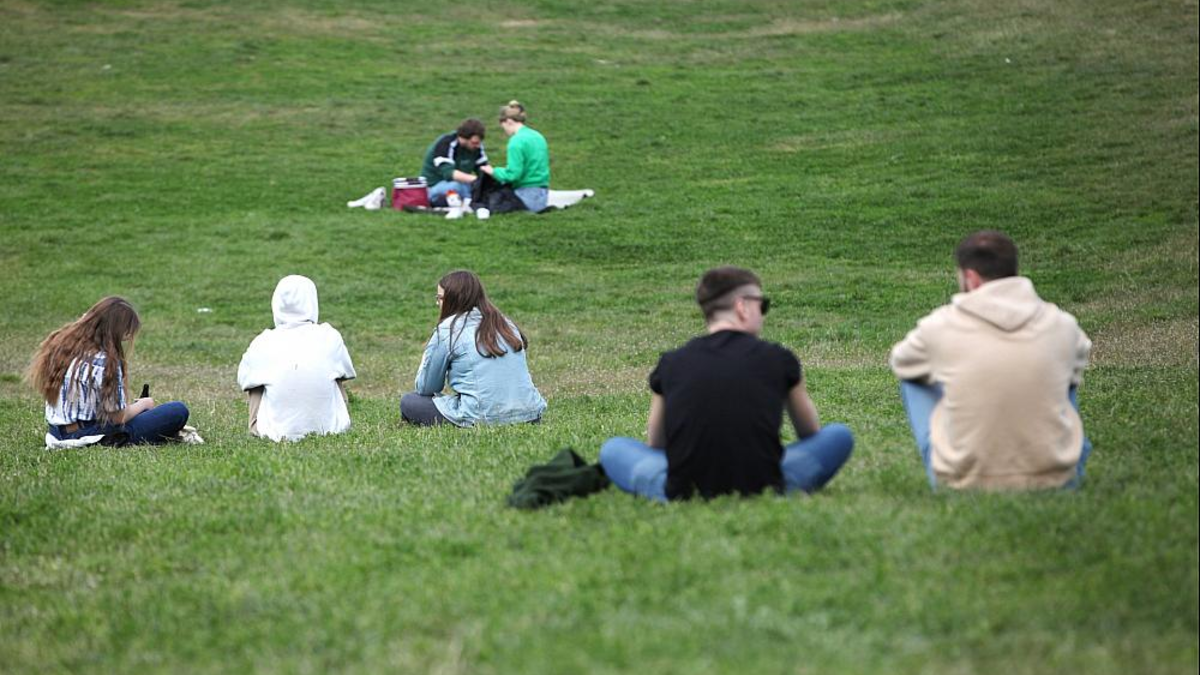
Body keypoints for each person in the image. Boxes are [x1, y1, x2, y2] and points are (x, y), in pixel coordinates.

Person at [599, 267, 855, 502]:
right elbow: (809, 432)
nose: (763, 314)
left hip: (684, 492)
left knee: (613, 449)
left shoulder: (671, 363)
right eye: (761, 305)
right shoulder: (779, 358)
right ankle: (779, 488)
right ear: (742, 307)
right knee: (838, 435)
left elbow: (656, 442)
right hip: (764, 486)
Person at [889, 230, 1093, 490]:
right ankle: (1061, 460)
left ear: (971, 278)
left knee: (912, 380)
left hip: (965, 482)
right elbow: (1078, 362)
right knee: (1064, 380)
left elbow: (901, 362)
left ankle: (957, 461)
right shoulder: (1063, 325)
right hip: (1058, 480)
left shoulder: (940, 325)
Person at [27, 296, 190, 445]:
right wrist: (143, 404)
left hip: (56, 432)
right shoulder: (104, 361)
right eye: (127, 332)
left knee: (145, 413)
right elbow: (118, 418)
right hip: (89, 434)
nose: (127, 338)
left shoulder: (63, 345)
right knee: (177, 410)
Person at [401, 270, 546, 427]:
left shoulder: (447, 330)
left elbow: (426, 387)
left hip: (482, 417)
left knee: (410, 401)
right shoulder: (506, 323)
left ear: (453, 300)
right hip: (531, 415)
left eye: (440, 298)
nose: (438, 303)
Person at [237, 275, 357, 442]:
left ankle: (258, 428)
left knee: (256, 380)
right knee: (335, 373)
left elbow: (244, 380)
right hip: (332, 429)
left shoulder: (263, 341)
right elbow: (347, 372)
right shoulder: (329, 336)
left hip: (275, 433)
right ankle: (333, 422)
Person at [478, 100, 550, 214]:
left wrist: (493, 171)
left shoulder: (516, 142)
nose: (505, 131)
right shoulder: (538, 136)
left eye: (503, 127)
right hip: (542, 195)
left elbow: (513, 175)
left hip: (525, 196)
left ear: (509, 121)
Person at [420, 118, 490, 207]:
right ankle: (471, 202)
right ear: (463, 138)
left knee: (483, 187)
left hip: (462, 183)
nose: (478, 146)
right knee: (457, 186)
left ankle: (469, 201)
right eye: (474, 143)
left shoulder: (476, 147)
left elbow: (483, 168)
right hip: (435, 186)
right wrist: (477, 181)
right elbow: (449, 174)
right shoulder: (445, 143)